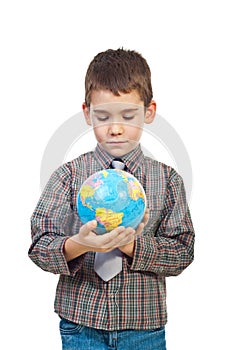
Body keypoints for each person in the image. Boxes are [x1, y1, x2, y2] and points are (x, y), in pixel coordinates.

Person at [28, 48, 195, 350]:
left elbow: (183, 251)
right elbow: (39, 246)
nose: (115, 128)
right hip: (81, 325)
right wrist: (80, 244)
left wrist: (131, 245)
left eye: (128, 116)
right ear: (86, 112)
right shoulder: (68, 176)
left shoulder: (168, 180)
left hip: (143, 327)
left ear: (149, 111)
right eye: (102, 117)